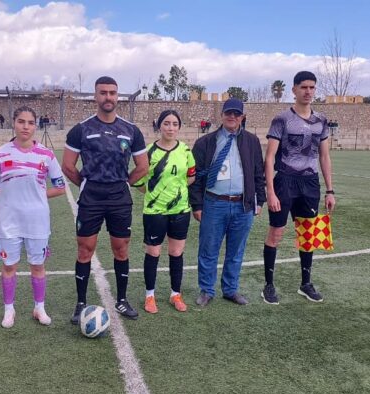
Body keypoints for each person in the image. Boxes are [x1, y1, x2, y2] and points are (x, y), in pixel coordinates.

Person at [62, 76, 149, 323]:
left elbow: (143, 166)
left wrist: (124, 184)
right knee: (85, 249)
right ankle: (80, 303)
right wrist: (87, 184)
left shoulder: (131, 130)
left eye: (112, 93)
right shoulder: (81, 129)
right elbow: (68, 166)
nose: (108, 97)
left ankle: (121, 300)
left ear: (117, 96)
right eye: (103, 92)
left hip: (119, 197)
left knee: (121, 249)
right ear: (95, 96)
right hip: (91, 197)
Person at [0, 106, 66, 328]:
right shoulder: (0, 154)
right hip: (8, 222)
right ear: (14, 123)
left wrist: (37, 194)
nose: (25, 127)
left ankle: (39, 308)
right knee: (9, 266)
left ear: (35, 126)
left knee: (37, 265)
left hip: (37, 221)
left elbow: (60, 187)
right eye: (21, 121)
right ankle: (9, 310)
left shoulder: (46, 155)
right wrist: (13, 195)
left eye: (30, 122)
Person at [261, 70, 335, 305]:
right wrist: (270, 190)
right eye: (303, 87)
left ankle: (306, 283)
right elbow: (269, 157)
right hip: (285, 181)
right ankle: (268, 285)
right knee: (276, 233)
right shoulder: (282, 119)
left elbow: (324, 156)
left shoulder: (321, 120)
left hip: (310, 183)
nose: (308, 91)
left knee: (308, 235)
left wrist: (330, 190)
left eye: (312, 87)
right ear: (294, 90)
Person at [189, 97, 266, 306]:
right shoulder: (205, 142)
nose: (232, 117)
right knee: (208, 249)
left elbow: (258, 173)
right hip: (214, 203)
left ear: (242, 117)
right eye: (228, 113)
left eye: (236, 114)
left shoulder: (252, 141)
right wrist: (197, 205)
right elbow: (195, 178)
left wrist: (260, 201)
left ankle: (230, 289)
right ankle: (207, 290)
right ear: (221, 115)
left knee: (236, 251)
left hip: (243, 205)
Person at [132, 110, 195, 313]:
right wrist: (155, 194)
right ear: (159, 126)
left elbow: (191, 176)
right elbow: (138, 182)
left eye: (175, 124)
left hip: (180, 210)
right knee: (153, 252)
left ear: (179, 127)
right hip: (154, 211)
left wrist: (176, 192)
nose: (170, 128)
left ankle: (175, 294)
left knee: (176, 253)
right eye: (166, 123)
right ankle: (150, 296)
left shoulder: (185, 151)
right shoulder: (149, 152)